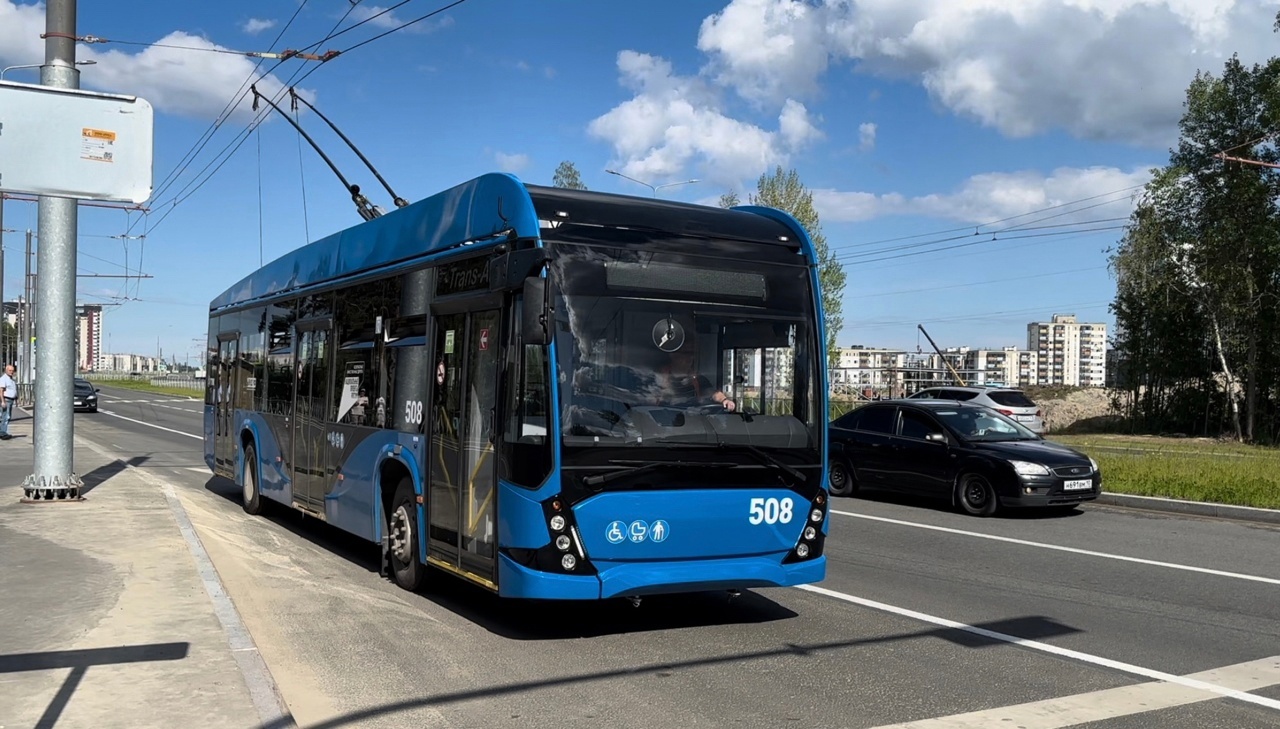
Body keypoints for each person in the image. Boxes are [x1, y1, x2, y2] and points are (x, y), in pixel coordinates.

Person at [659, 348, 736, 411]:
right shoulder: (658, 377)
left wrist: (724, 400)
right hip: (663, 421)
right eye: (685, 354)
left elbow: (713, 393)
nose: (689, 358)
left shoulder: (699, 379)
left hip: (693, 419)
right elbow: (649, 400)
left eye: (691, 355)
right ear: (673, 356)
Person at [0, 365, 16, 440]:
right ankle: (3, 433)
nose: (11, 372)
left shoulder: (11, 379)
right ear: (6, 370)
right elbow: (1, 390)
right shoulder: (3, 379)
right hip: (6, 400)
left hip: (11, 400)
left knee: (7, 416)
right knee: (5, 417)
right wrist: (2, 401)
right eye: (10, 370)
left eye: (12, 370)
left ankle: (3, 432)